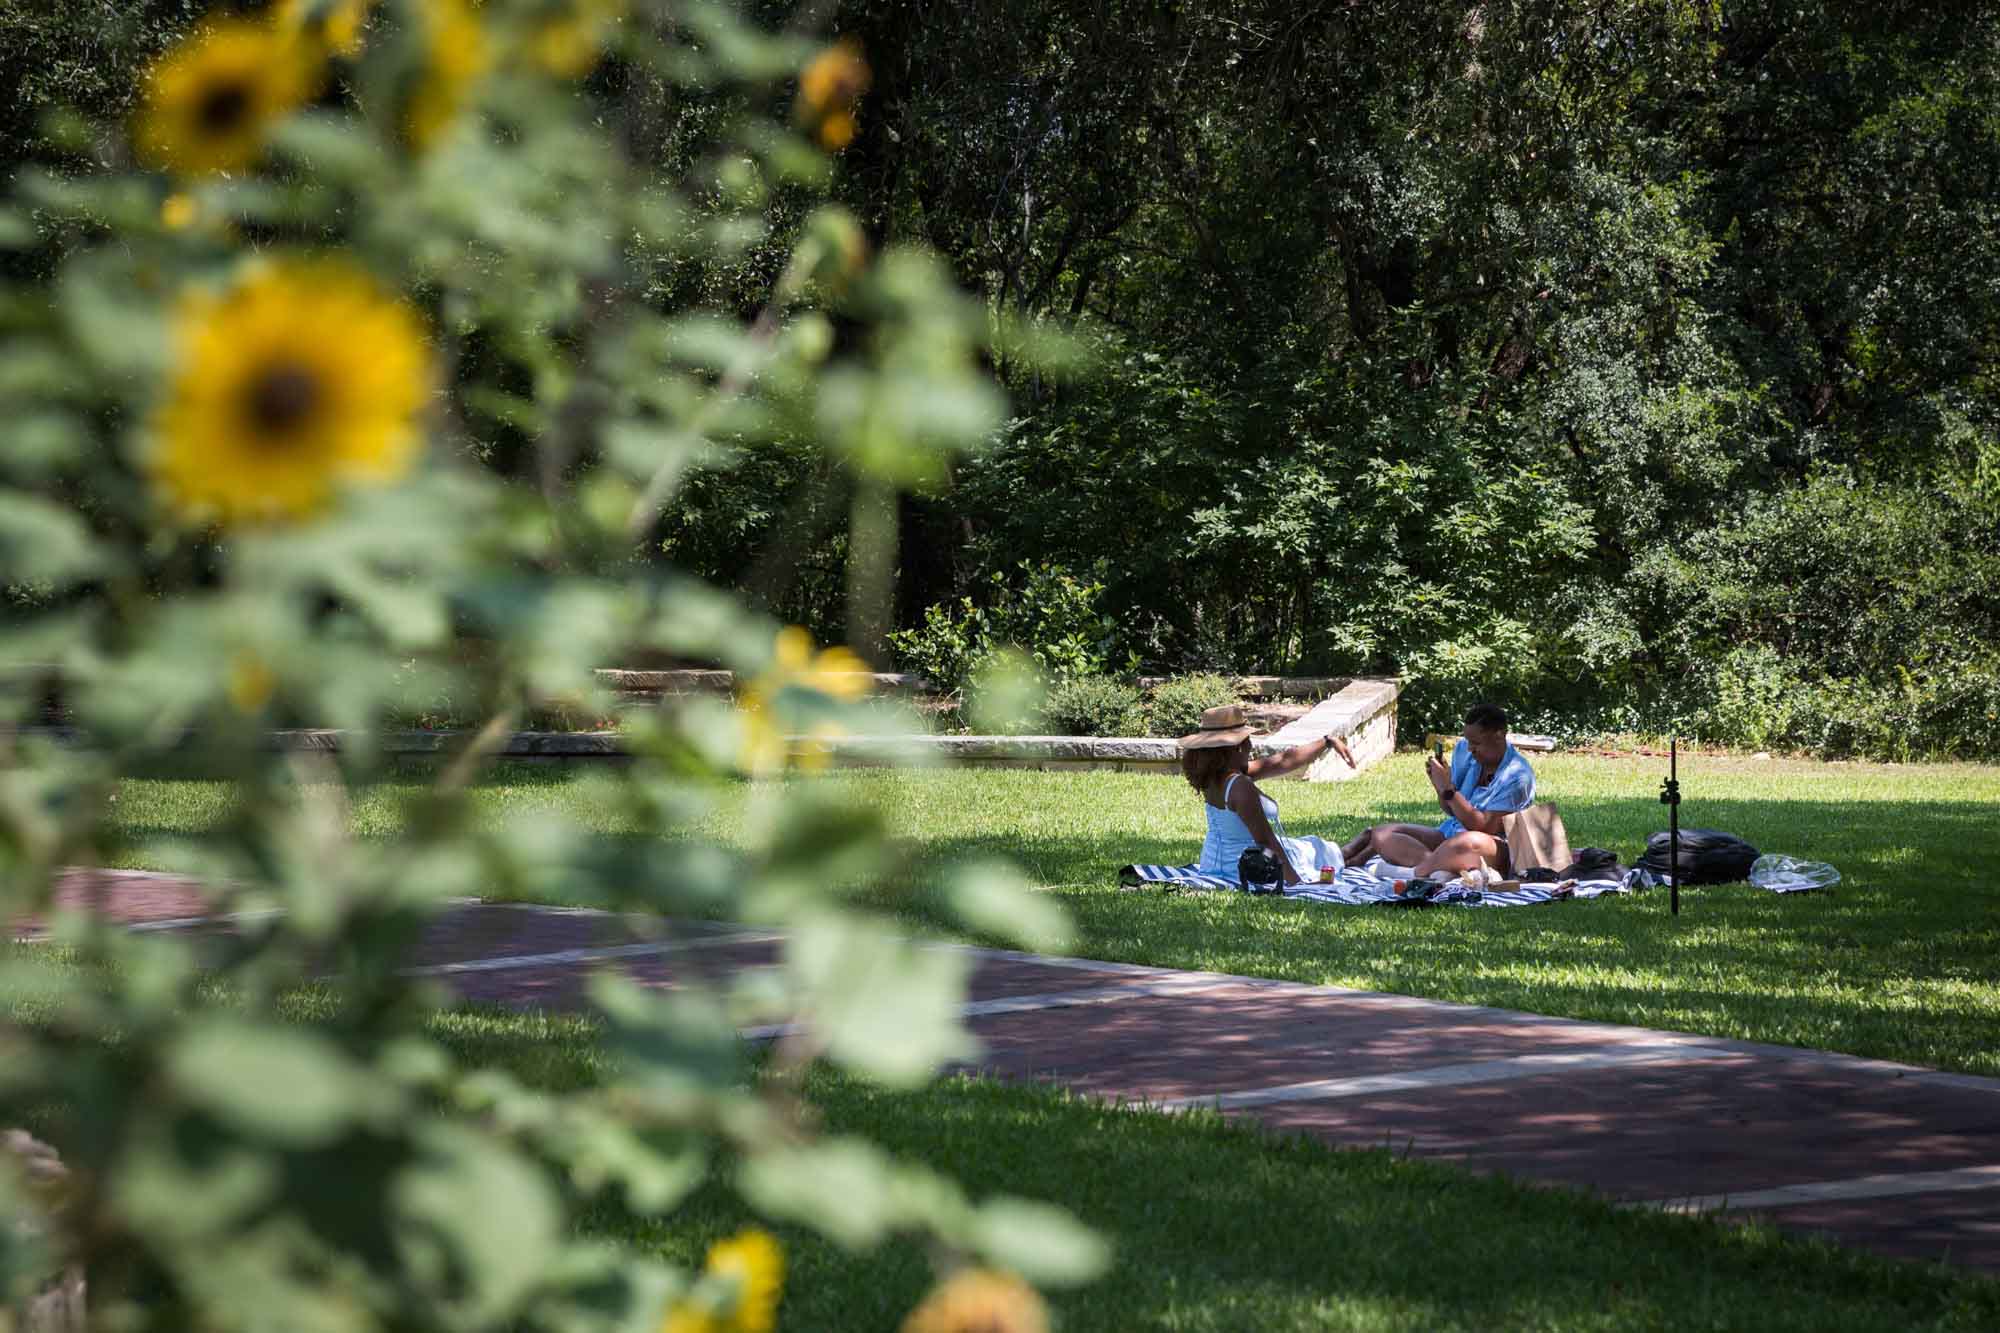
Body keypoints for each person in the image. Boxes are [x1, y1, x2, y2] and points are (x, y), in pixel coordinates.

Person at [1339, 702, 1535, 879]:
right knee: (1382, 834)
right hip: (1449, 837)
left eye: (1476, 743)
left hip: (1493, 847)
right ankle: (1444, 868)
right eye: (1468, 742)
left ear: (1499, 735)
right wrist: (1440, 786)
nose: (1470, 749)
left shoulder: (1518, 776)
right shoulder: (1464, 753)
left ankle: (1415, 873)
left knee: (1466, 841)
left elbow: (1483, 827)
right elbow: (1451, 810)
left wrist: (1448, 788)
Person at [1178, 704, 1356, 888]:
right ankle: (1370, 842)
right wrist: (1297, 884)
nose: (1250, 745)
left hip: (1212, 865)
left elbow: (1284, 760)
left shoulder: (1214, 775)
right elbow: (1266, 841)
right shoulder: (1239, 786)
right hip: (1245, 868)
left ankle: (1366, 843)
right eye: (1247, 740)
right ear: (1236, 747)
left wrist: (1327, 741)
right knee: (1317, 849)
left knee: (1311, 847)